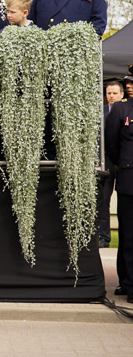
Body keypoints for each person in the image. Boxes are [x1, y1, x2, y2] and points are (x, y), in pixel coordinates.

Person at [105, 93, 133, 301]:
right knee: (129, 235)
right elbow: (112, 143)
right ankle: (129, 284)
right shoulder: (122, 109)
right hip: (129, 180)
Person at [102, 80, 125, 249]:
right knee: (103, 200)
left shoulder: (127, 111)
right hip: (106, 161)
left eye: (114, 93)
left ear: (122, 94)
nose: (111, 96)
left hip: (124, 162)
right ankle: (104, 237)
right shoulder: (100, 112)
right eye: (109, 93)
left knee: (126, 200)